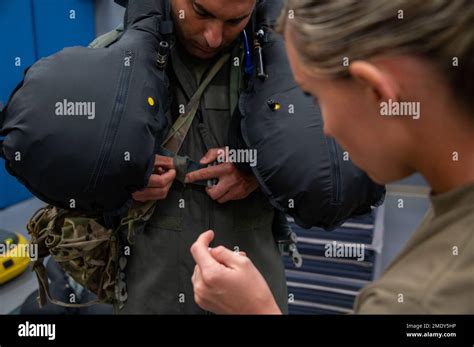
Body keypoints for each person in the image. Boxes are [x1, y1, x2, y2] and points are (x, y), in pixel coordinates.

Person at [190, 0, 474, 314]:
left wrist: (255, 310)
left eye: (314, 96)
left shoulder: (417, 302)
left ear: (377, 92)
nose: (324, 127)